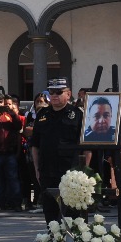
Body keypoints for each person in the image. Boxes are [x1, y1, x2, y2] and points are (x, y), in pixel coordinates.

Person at [27, 78, 87, 224]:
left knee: (72, 212)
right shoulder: (42, 114)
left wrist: (84, 170)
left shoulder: (77, 114)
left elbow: (86, 146)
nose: (54, 95)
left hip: (71, 171)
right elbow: (35, 144)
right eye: (51, 92)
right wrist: (36, 168)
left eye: (59, 92)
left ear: (68, 94)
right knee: (50, 211)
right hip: (47, 170)